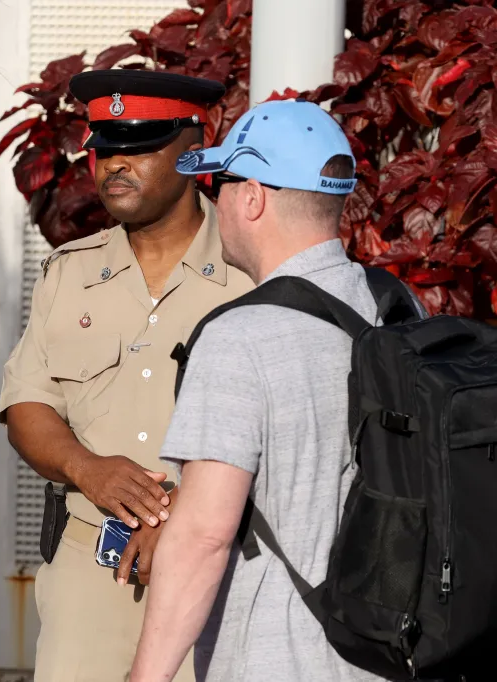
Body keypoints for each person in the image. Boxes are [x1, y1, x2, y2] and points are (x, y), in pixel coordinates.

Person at [0, 70, 254, 682]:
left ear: (194, 150)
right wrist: (88, 468)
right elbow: (26, 406)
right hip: (89, 563)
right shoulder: (69, 272)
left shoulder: (252, 271)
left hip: (219, 571)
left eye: (138, 146)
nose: (115, 165)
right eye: (104, 149)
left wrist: (190, 519)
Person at [130, 99, 392, 682]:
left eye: (220, 184)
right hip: (392, 658)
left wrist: (144, 678)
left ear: (252, 196)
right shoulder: (396, 311)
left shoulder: (239, 337)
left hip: (281, 659)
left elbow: (203, 535)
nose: (211, 201)